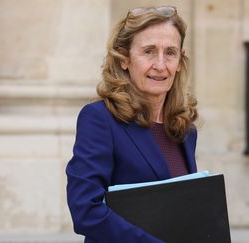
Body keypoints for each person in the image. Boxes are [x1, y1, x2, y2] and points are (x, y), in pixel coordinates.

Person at [66, 5, 198, 243]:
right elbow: (86, 210)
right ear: (124, 59)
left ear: (180, 61)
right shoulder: (100, 119)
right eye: (149, 51)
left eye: (170, 52)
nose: (160, 64)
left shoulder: (184, 128)